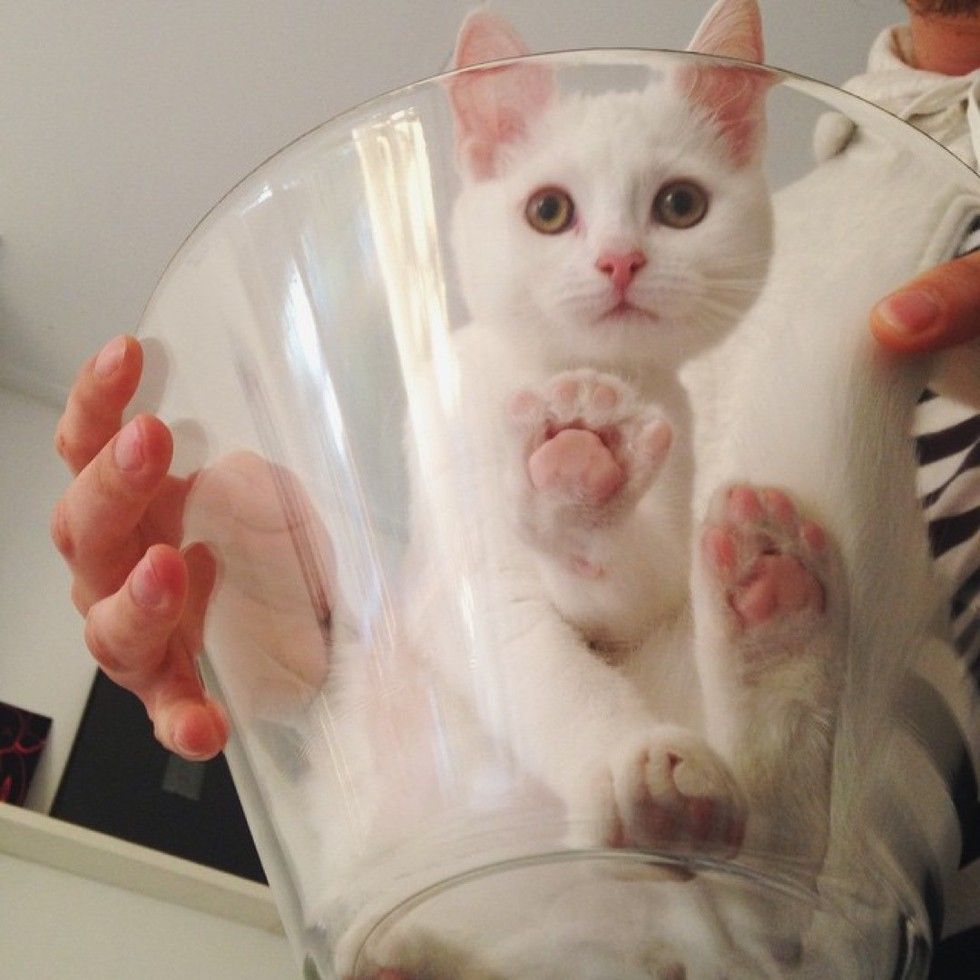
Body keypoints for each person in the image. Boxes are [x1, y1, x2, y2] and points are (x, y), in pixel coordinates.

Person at [51, 0, 980, 972]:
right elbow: (502, 621)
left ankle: (764, 795)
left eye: (674, 206)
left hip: (816, 914)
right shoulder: (812, 221)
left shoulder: (706, 340)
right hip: (569, 871)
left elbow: (625, 609)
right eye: (551, 212)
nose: (617, 258)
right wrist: (323, 627)